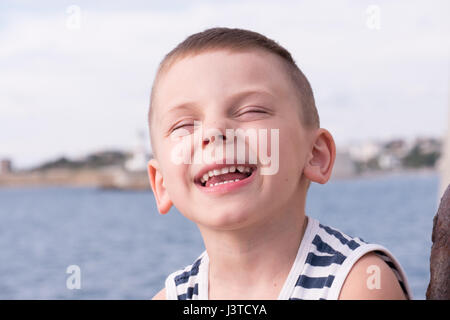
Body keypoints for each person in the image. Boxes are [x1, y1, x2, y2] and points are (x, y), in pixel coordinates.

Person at [146, 27, 412, 300]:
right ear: (161, 183)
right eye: (184, 125)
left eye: (251, 110)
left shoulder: (359, 284)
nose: (214, 131)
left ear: (315, 155)